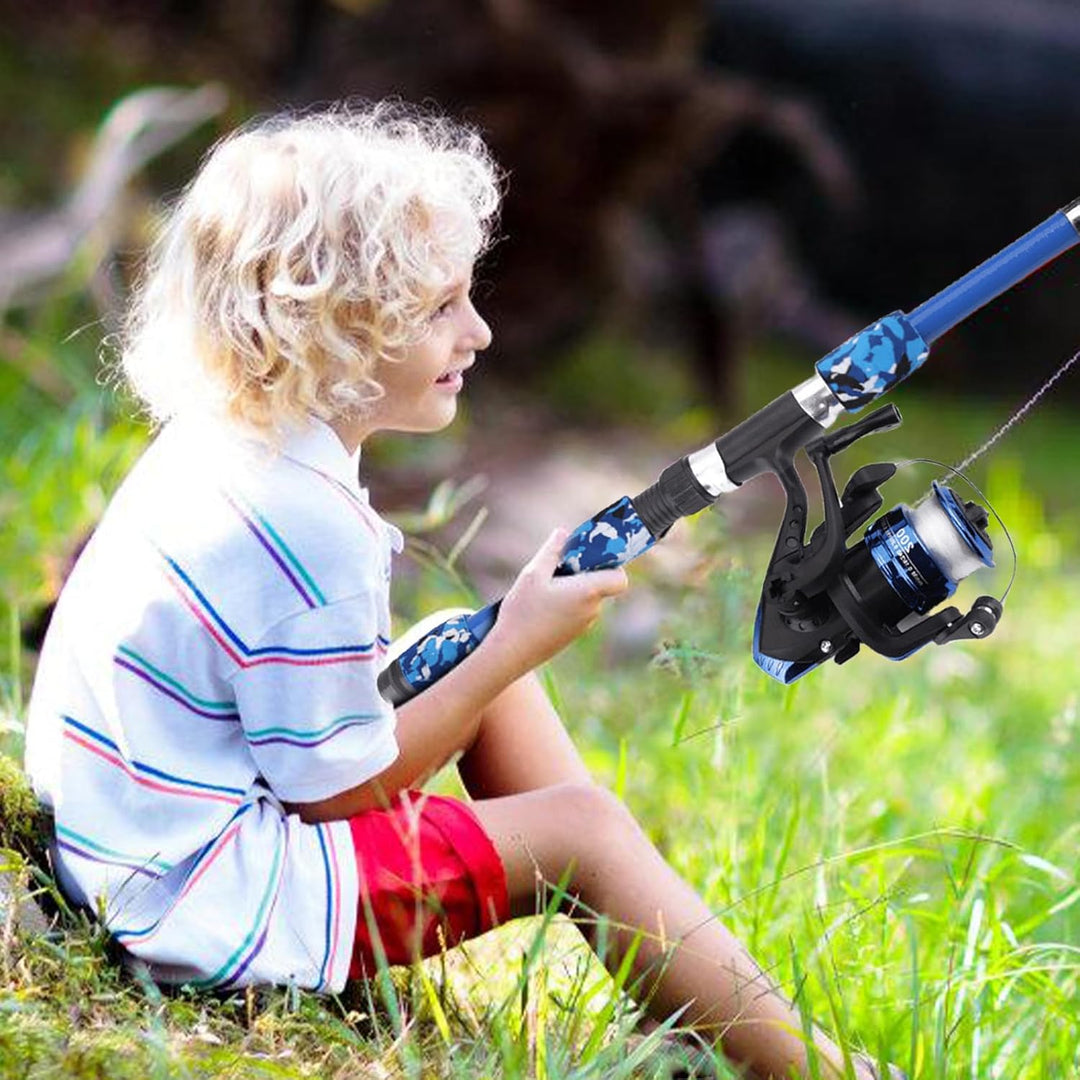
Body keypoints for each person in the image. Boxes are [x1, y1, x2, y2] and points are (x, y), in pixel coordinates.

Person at [25, 105, 897, 1079]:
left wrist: (492, 658)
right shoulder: (305, 527)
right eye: (437, 307)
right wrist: (516, 644)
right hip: (214, 904)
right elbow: (336, 796)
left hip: (139, 847)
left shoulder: (226, 442)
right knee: (583, 830)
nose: (477, 331)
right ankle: (809, 1067)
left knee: (468, 654)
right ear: (331, 326)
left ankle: (667, 968)